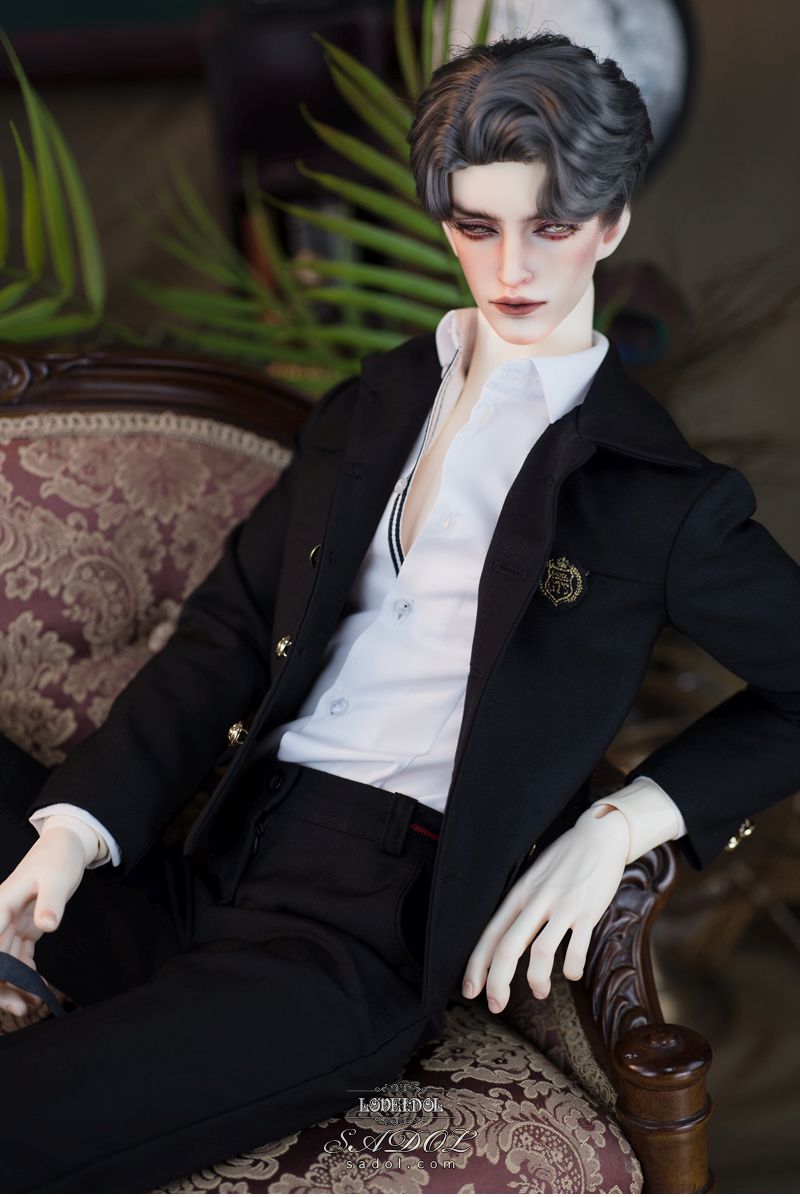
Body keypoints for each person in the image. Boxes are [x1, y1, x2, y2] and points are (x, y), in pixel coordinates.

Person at [1, 30, 799, 1193]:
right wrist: (75, 831)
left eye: (550, 226)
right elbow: (227, 634)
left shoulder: (652, 495)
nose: (510, 266)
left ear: (611, 221)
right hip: (201, 850)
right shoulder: (371, 402)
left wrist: (626, 821)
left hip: (351, 944)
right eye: (476, 226)